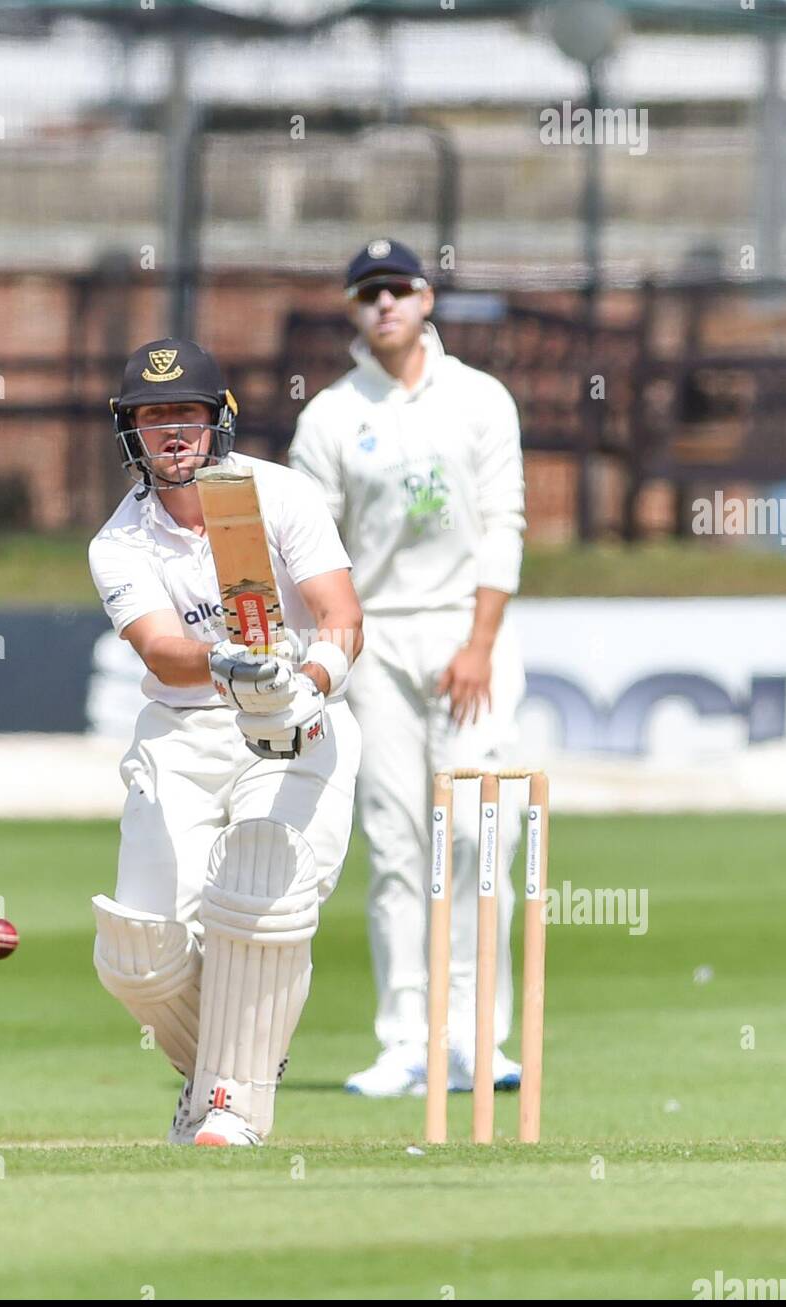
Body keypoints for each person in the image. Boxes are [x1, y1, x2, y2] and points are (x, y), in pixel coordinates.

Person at [88, 337, 363, 1145]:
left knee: (259, 898)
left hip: (292, 720)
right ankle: (237, 1061)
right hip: (181, 729)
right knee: (138, 955)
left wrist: (303, 686)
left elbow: (341, 616)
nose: (171, 433)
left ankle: (227, 1109)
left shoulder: (278, 496)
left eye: (186, 414)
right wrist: (229, 665)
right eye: (151, 417)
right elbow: (162, 650)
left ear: (219, 424)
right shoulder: (119, 543)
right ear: (129, 433)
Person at [289, 239, 527, 1098]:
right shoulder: (330, 416)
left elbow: (505, 523)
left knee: (472, 836)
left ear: (426, 298)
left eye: (398, 289)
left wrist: (479, 644)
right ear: (353, 310)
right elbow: (310, 547)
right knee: (395, 842)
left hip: (470, 634)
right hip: (376, 639)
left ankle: (475, 1038)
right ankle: (406, 1041)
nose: (384, 304)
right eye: (367, 293)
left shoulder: (479, 400)